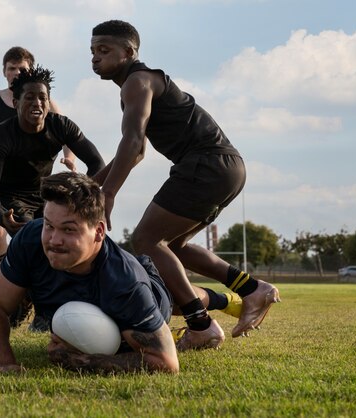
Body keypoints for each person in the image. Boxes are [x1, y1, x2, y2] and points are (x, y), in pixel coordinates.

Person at [89, 20, 280, 350]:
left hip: (206, 163)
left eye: (104, 50)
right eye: (92, 51)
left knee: (145, 239)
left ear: (129, 52)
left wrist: (107, 193)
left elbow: (133, 142)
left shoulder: (137, 81)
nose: (95, 57)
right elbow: (135, 154)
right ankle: (251, 289)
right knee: (170, 246)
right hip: (225, 167)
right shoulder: (136, 86)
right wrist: (91, 184)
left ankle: (201, 326)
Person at [0, 172, 240, 374]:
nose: (54, 240)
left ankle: (222, 301)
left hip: (144, 285)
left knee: (177, 299)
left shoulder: (126, 284)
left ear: (99, 232)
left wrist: (80, 361)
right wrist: (5, 364)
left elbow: (165, 363)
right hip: (110, 285)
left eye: (69, 230)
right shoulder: (32, 238)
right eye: (49, 225)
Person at [0, 46, 75, 273]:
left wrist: (69, 158)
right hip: (0, 186)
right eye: (11, 68)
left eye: (21, 68)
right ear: (4, 72)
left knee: (39, 237)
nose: (16, 72)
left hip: (37, 186)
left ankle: (34, 287)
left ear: (30, 70)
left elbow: (67, 135)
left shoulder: (46, 103)